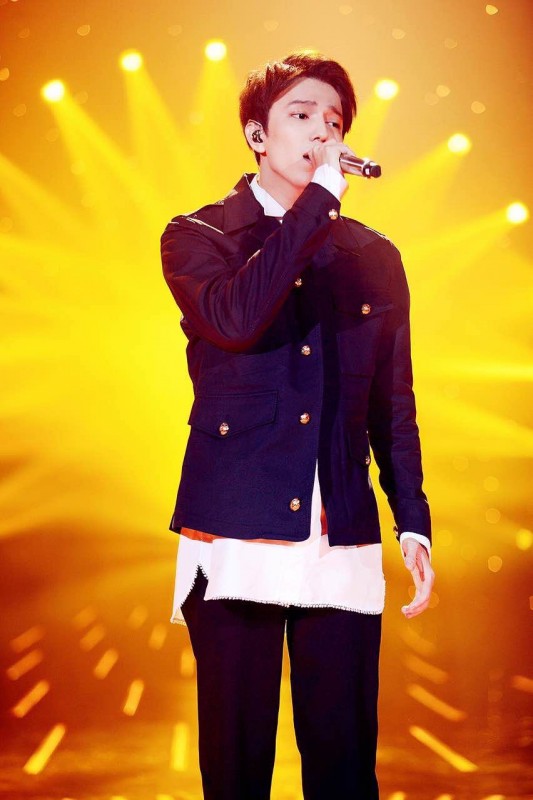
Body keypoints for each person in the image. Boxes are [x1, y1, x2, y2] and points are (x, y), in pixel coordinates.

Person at [161, 51, 434, 800]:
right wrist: (317, 205)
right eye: (302, 114)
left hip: (339, 533)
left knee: (344, 766)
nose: (322, 131)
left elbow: (392, 402)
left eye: (334, 120)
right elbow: (237, 318)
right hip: (235, 532)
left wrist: (412, 519)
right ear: (257, 134)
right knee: (237, 765)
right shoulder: (199, 236)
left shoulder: (373, 256)